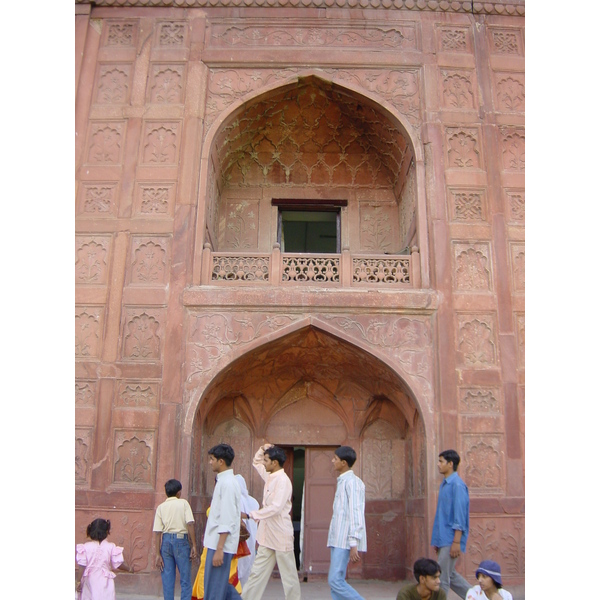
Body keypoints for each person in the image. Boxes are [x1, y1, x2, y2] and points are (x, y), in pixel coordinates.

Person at [241, 443, 301, 600]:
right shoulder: (270, 476)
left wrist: (251, 515)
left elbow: (276, 507)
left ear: (274, 463)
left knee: (289, 577)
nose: (264, 463)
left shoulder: (283, 481)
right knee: (256, 573)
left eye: (266, 460)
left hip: (281, 533)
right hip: (267, 535)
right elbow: (256, 462)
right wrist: (262, 449)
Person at [203, 443, 243, 600]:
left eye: (212, 459)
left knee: (214, 591)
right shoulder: (225, 482)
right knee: (220, 588)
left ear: (221, 461)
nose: (210, 462)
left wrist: (220, 549)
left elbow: (226, 518)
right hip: (217, 543)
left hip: (219, 545)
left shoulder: (227, 484)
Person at [327, 445, 367, 600]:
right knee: (336, 582)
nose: (333, 461)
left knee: (335, 580)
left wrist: (354, 542)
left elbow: (356, 513)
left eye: (335, 459)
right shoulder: (343, 481)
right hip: (338, 538)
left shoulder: (353, 483)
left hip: (345, 540)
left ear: (343, 462)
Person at [430, 449, 470, 598]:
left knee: (441, 578)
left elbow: (459, 516)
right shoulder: (446, 484)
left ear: (450, 464)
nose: (438, 464)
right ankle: (478, 597)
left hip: (451, 538)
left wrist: (456, 541)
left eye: (441, 461)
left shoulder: (457, 485)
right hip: (444, 538)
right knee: (450, 575)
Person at [153, 479, 198, 600]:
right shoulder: (183, 503)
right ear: (179, 492)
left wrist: (157, 553)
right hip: (181, 541)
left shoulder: (161, 507)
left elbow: (157, 532)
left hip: (166, 542)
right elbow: (190, 523)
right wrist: (194, 544)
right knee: (185, 579)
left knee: (167, 579)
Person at [76, 517, 133, 600]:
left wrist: (78, 581)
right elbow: (118, 564)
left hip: (90, 580)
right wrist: (129, 569)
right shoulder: (111, 547)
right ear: (107, 532)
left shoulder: (85, 547)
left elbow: (82, 565)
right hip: (105, 581)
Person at [235, 474, 259, 588]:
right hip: (252, 537)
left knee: (238, 566)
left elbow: (237, 515)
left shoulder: (236, 499)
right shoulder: (253, 501)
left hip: (240, 539)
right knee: (249, 565)